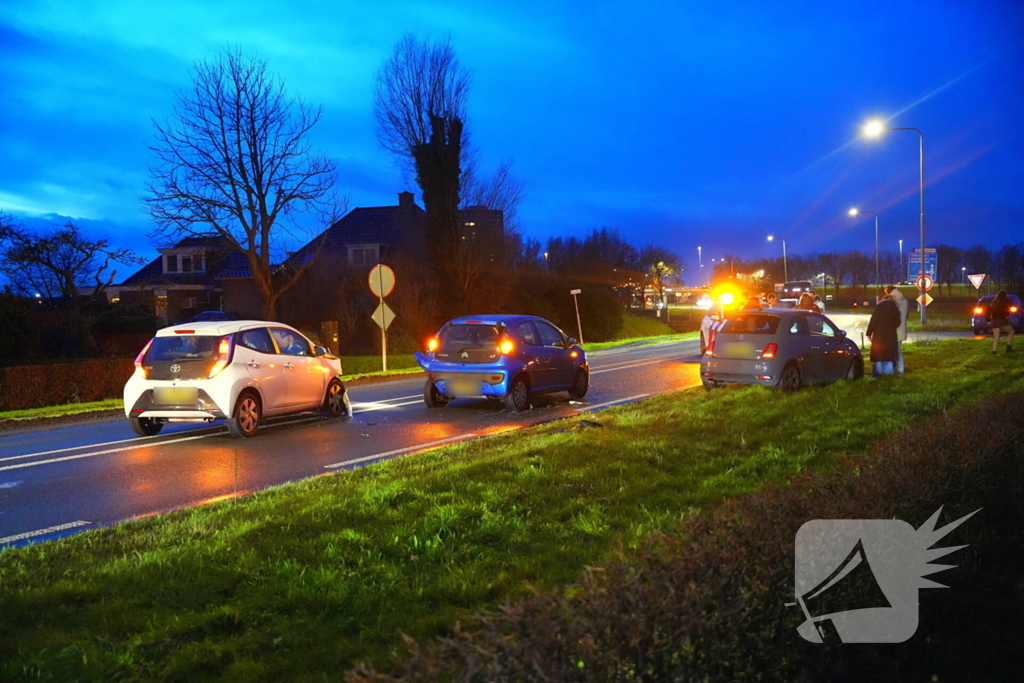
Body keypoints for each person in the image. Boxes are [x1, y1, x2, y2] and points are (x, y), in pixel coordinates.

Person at [867, 294, 901, 377]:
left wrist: (869, 334)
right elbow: (897, 323)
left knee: (878, 354)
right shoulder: (895, 309)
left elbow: (873, 321)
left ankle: (878, 373)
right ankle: (888, 374)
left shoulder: (879, 308)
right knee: (889, 354)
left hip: (878, 336)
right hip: (890, 336)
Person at [884, 285, 909, 374]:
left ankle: (895, 369)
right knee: (898, 350)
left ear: (889, 292)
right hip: (901, 330)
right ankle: (900, 368)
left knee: (892, 351)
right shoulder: (904, 301)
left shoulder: (892, 301)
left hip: (892, 330)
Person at [987, 289, 1016, 354]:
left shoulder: (993, 302)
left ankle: (994, 351)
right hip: (1002, 320)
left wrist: (988, 320)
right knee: (1011, 331)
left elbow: (988, 311)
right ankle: (1008, 346)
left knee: (997, 337)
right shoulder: (1005, 301)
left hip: (994, 320)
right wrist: (1007, 316)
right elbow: (1007, 311)